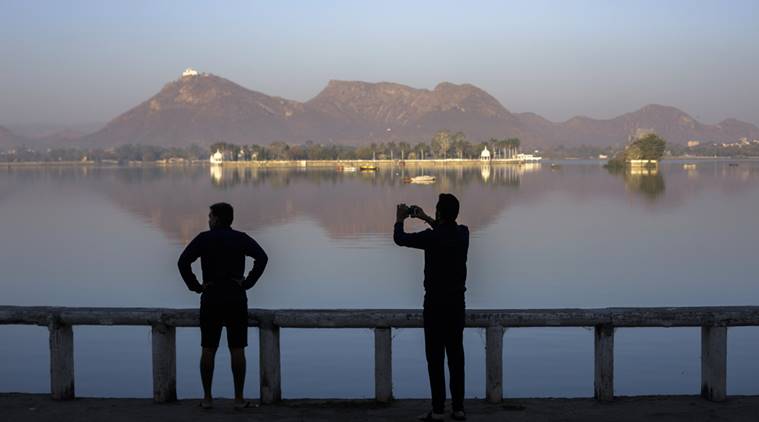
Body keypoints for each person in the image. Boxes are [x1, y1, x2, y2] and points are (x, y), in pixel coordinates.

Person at [178, 202, 268, 410]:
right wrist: (247, 283)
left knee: (208, 348)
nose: (208, 220)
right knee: (237, 348)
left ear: (217, 218)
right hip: (236, 297)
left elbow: (183, 262)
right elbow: (262, 258)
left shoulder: (203, 239)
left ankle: (208, 399)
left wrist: (196, 287)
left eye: (210, 217)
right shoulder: (240, 238)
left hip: (211, 296)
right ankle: (238, 399)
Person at [393, 193, 469, 421]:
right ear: (455, 213)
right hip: (457, 305)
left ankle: (437, 410)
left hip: (435, 306)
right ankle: (458, 409)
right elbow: (445, 231)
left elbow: (400, 239)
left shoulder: (430, 238)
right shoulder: (463, 234)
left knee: (435, 359)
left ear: (439, 212)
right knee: (456, 358)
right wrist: (426, 217)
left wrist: (400, 219)